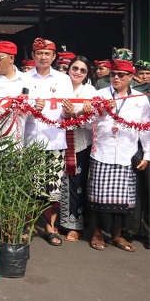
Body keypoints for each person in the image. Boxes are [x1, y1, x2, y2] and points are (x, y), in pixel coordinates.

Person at [86, 49, 149, 252]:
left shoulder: (140, 99)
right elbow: (87, 125)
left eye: (121, 75)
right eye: (113, 74)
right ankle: (96, 234)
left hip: (125, 153)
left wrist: (147, 155)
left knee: (123, 201)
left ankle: (117, 236)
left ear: (131, 77)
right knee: (97, 198)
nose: (115, 78)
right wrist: (100, 111)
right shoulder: (99, 95)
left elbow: (145, 128)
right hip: (102, 151)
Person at [22, 38, 74, 247]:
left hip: (54, 140)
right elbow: (18, 106)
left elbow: (67, 109)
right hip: (29, 140)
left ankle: (50, 227)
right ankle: (27, 225)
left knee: (52, 188)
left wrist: (68, 111)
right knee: (28, 186)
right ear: (33, 56)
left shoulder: (63, 80)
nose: (43, 57)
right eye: (39, 53)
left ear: (54, 57)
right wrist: (33, 108)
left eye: (47, 54)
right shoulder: (23, 78)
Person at [59, 56, 96, 242]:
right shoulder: (59, 85)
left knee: (77, 183)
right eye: (75, 68)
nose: (78, 72)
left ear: (87, 74)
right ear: (68, 69)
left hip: (80, 143)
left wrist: (79, 112)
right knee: (57, 182)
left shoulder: (89, 91)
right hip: (57, 140)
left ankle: (74, 225)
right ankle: (55, 223)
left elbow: (91, 124)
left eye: (83, 70)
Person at [128, 59, 150, 249]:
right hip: (141, 144)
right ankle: (133, 230)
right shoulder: (141, 93)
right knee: (136, 191)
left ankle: (148, 233)